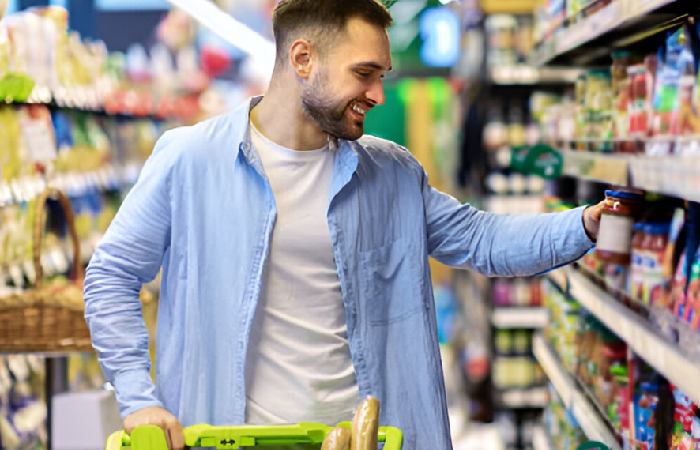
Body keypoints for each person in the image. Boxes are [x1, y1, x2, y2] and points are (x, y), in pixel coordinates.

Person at [83, 1, 603, 449]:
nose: (378, 93)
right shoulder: (191, 159)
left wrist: (587, 223)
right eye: (364, 73)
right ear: (303, 58)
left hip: (362, 437)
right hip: (229, 434)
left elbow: (481, 239)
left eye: (382, 75)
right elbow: (111, 275)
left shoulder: (390, 173)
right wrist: (137, 397)